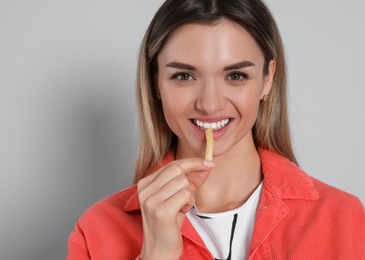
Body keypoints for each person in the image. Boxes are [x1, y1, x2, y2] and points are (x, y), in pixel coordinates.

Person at [67, 0, 365, 259]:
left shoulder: (345, 219)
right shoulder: (96, 230)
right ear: (155, 82)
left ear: (267, 79)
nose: (209, 104)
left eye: (236, 75)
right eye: (184, 76)